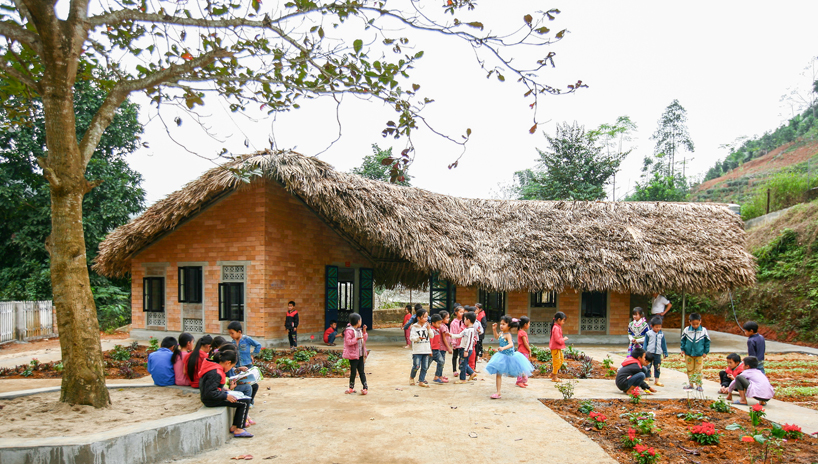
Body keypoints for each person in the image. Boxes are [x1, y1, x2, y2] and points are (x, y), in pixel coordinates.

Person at [198, 350, 253, 438]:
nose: (231, 368)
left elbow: (211, 386)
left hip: (212, 396)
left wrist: (224, 389)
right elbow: (210, 392)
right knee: (244, 402)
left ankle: (235, 426)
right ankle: (239, 429)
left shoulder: (213, 368)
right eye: (232, 366)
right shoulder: (215, 373)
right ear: (227, 363)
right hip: (210, 400)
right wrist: (225, 395)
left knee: (243, 399)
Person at [483, 316, 534, 399]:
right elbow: (496, 337)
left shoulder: (508, 335)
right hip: (501, 356)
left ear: (509, 326)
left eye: (504, 324)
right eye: (501, 324)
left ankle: (523, 374)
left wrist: (503, 347)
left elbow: (511, 344)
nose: (501, 326)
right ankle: (498, 392)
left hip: (510, 356)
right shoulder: (501, 333)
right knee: (498, 373)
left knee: (517, 368)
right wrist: (494, 329)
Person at [680, 313, 710, 392]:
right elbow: (683, 340)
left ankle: (699, 385)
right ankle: (691, 384)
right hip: (688, 353)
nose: (695, 325)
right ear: (689, 322)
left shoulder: (703, 330)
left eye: (697, 324)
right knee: (690, 369)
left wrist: (705, 352)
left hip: (699, 354)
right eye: (693, 324)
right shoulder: (686, 330)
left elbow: (707, 342)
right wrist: (682, 349)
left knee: (698, 369)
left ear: (700, 321)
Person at [449, 311, 478, 384]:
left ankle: (462, 379)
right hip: (463, 349)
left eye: (464, 319)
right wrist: (451, 335)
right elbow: (459, 335)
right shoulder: (466, 329)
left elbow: (469, 341)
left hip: (466, 349)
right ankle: (472, 373)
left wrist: (466, 350)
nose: (463, 321)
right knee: (463, 363)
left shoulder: (471, 330)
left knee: (463, 364)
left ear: (468, 320)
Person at [343, 312, 368, 395]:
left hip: (360, 355)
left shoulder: (359, 330)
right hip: (353, 355)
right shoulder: (349, 331)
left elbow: (364, 339)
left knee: (362, 371)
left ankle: (365, 387)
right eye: (360, 320)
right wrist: (356, 339)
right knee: (353, 371)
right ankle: (351, 388)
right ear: (357, 321)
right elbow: (348, 342)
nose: (361, 322)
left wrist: (364, 332)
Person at [409, 308, 433, 387]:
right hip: (417, 351)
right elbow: (411, 338)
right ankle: (412, 377)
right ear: (418, 318)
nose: (426, 319)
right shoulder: (414, 327)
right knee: (416, 366)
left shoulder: (427, 326)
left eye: (427, 317)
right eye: (424, 317)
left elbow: (432, 336)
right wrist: (418, 338)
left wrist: (429, 329)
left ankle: (421, 381)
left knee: (425, 367)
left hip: (426, 349)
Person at [643, 316, 668, 387]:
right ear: (651, 326)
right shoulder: (648, 333)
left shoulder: (661, 334)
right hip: (649, 353)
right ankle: (647, 379)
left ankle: (657, 380)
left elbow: (663, 344)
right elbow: (645, 343)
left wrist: (665, 352)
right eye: (656, 327)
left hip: (658, 353)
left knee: (657, 367)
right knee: (648, 366)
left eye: (659, 327)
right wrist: (644, 352)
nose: (658, 329)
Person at [549, 311, 568, 383]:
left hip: (558, 348)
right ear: (559, 320)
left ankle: (553, 373)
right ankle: (554, 376)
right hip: (555, 348)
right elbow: (557, 339)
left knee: (561, 360)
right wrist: (564, 339)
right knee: (556, 361)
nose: (563, 322)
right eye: (563, 321)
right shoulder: (556, 328)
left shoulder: (557, 327)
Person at [429, 314, 448, 384]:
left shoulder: (437, 330)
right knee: (426, 366)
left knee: (441, 361)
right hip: (431, 350)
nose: (440, 325)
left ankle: (437, 376)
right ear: (433, 323)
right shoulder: (431, 331)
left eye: (440, 323)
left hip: (437, 350)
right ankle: (421, 378)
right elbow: (430, 341)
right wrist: (429, 350)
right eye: (438, 323)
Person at [449, 305, 466, 378]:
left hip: (462, 342)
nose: (462, 313)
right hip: (456, 342)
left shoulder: (464, 321)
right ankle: (454, 370)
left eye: (463, 312)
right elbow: (452, 332)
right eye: (460, 312)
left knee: (461, 356)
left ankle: (461, 368)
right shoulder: (453, 322)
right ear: (456, 313)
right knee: (455, 356)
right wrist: (453, 342)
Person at [516, 316, 531, 388]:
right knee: (522, 367)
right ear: (525, 324)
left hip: (522, 351)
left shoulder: (520, 332)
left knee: (522, 366)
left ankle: (522, 380)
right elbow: (525, 343)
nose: (529, 325)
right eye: (528, 323)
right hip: (523, 351)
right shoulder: (522, 333)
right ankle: (519, 381)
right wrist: (529, 349)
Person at [438, 310, 452, 383]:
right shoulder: (442, 327)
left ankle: (440, 375)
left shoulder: (444, 326)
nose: (448, 319)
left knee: (442, 362)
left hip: (443, 347)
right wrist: (449, 348)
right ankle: (439, 376)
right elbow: (444, 338)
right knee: (441, 362)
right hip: (442, 347)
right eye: (447, 318)